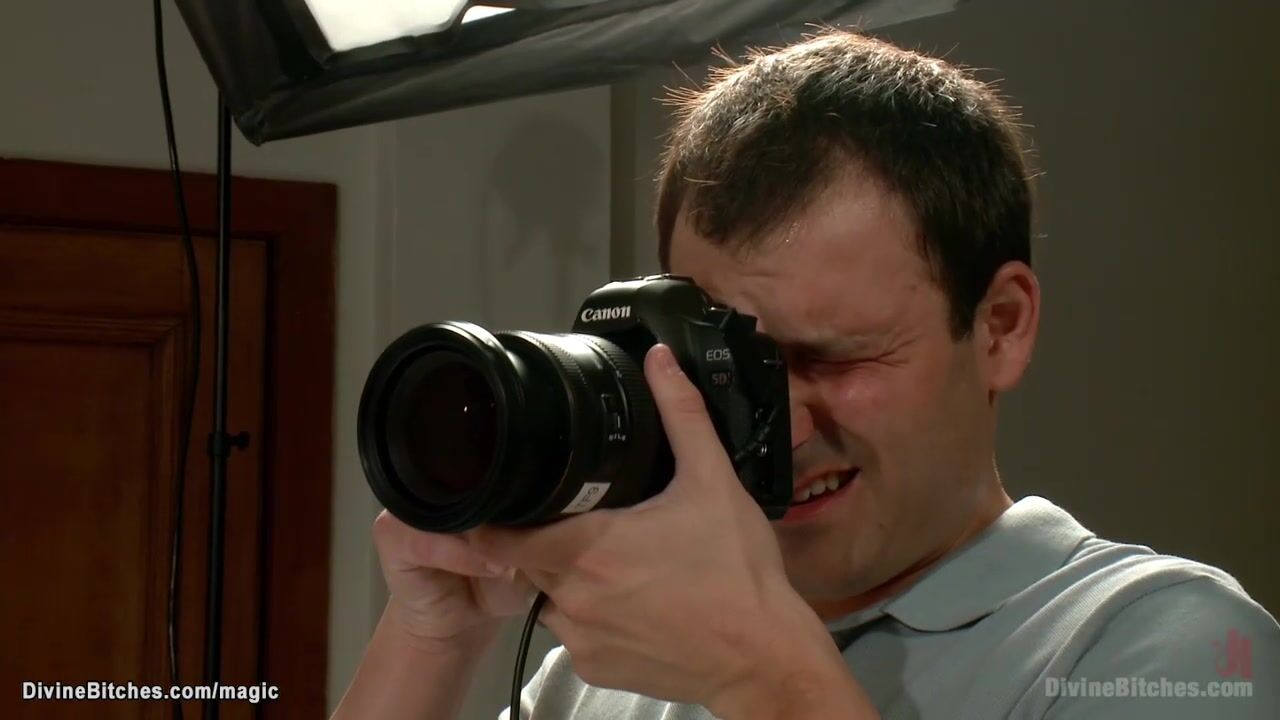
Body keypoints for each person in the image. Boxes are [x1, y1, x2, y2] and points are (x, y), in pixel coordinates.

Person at [331, 29, 1277, 720]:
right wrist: (434, 634)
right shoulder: (622, 656)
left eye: (838, 356)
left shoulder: (1168, 648)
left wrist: (759, 676)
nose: (779, 424)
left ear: (999, 328)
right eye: (731, 365)